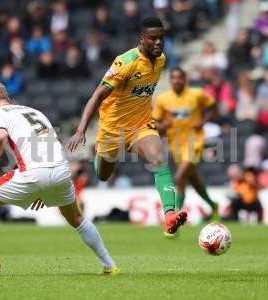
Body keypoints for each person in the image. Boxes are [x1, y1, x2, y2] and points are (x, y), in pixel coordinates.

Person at [0, 83, 118, 276]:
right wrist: (42, 188)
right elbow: (52, 143)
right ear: (6, 97)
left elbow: (0, 136)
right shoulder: (34, 112)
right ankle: (110, 264)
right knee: (77, 218)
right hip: (61, 170)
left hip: (34, 173)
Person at [67, 17, 187, 236]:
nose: (158, 43)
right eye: (153, 39)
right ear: (142, 39)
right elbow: (97, 95)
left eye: (161, 38)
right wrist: (81, 130)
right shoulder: (126, 62)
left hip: (141, 125)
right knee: (103, 174)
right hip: (112, 131)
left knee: (159, 160)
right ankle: (99, 154)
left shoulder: (161, 60)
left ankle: (170, 214)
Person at [153, 68, 219, 225]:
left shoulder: (197, 94)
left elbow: (213, 107)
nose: (176, 80)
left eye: (180, 78)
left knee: (179, 177)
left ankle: (174, 220)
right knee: (192, 179)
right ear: (170, 81)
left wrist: (203, 122)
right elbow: (154, 123)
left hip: (194, 142)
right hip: (175, 144)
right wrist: (163, 126)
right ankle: (213, 206)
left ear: (185, 79)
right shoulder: (163, 99)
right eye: (173, 78)